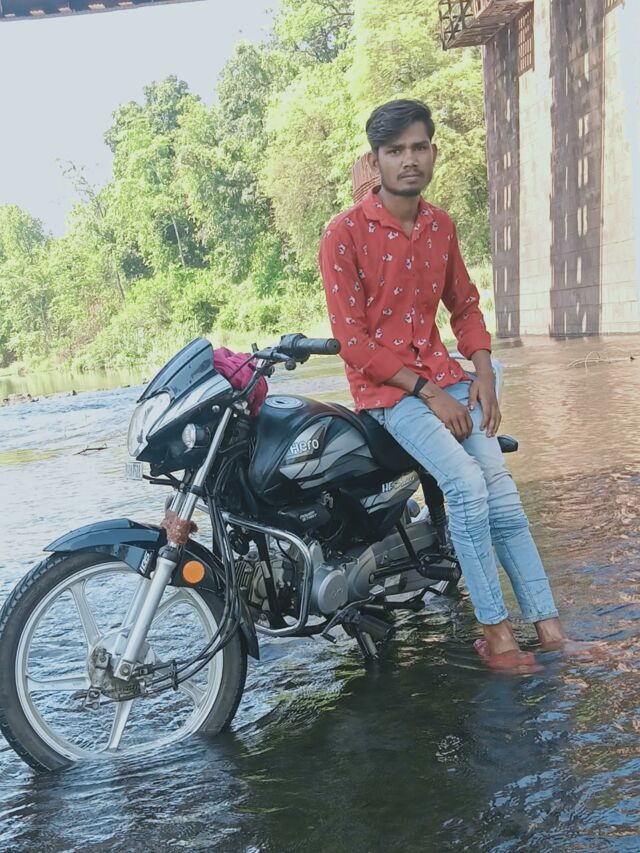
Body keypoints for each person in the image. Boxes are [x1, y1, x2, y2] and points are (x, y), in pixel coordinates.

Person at [318, 98, 570, 670]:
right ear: (376, 160)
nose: (409, 160)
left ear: (433, 153)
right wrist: (427, 393)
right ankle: (498, 637)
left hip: (450, 377)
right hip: (390, 393)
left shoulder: (440, 225)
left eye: (418, 147)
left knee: (503, 496)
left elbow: (465, 306)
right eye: (395, 150)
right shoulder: (344, 234)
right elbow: (353, 342)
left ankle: (551, 630)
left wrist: (484, 373)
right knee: (465, 484)